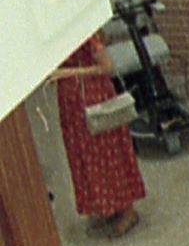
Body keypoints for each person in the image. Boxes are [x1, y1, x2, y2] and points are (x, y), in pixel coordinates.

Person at [54, 33, 147, 233]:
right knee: (85, 155)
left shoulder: (86, 32)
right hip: (72, 101)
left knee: (107, 153)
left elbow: (107, 66)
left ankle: (127, 210)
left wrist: (68, 72)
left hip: (93, 96)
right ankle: (106, 205)